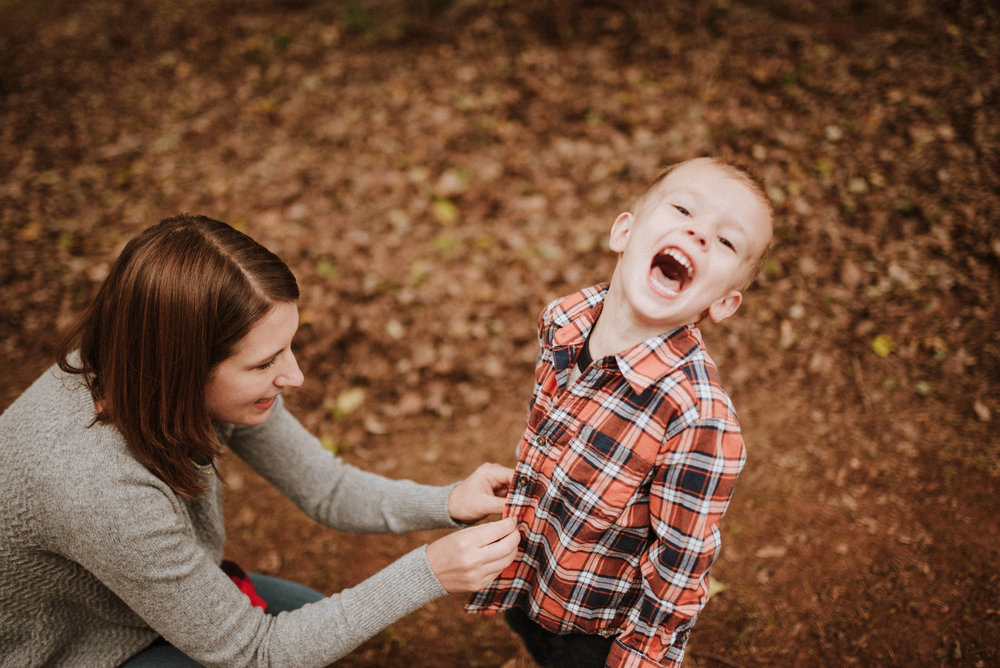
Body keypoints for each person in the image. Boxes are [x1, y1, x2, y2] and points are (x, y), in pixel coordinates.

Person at [0, 214, 520, 668]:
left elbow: (327, 489)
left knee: (314, 614)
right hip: (73, 649)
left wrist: (448, 501)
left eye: (288, 347)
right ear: (181, 367)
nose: (293, 376)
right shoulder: (97, 487)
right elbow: (256, 654)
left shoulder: (153, 373)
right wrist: (429, 572)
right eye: (265, 363)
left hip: (129, 603)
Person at [466, 157, 774, 667]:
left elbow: (679, 568)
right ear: (624, 231)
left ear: (724, 303)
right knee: (528, 633)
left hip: (597, 627)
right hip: (530, 569)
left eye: (726, 241)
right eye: (683, 209)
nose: (699, 233)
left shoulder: (699, 420)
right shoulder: (563, 321)